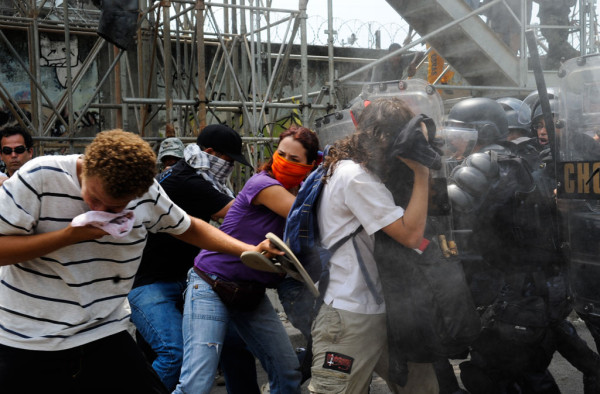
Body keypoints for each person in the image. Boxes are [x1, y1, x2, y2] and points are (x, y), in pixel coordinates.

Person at [0, 129, 280, 393]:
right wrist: (70, 235)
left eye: (116, 207)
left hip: (101, 330)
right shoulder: (39, 177)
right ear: (87, 167)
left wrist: (248, 249)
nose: (102, 211)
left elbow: (189, 227)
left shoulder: (146, 192)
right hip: (28, 337)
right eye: (95, 198)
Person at [173, 125, 320, 394]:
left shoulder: (297, 195)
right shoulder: (264, 184)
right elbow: (308, 219)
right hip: (211, 284)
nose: (284, 162)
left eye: (295, 159)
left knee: (287, 373)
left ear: (310, 164)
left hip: (249, 293)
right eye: (281, 153)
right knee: (196, 384)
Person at [308, 97, 438, 394]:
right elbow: (411, 235)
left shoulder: (350, 168)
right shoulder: (356, 177)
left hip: (382, 308)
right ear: (385, 138)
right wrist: (421, 171)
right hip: (350, 314)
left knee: (422, 387)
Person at [128, 124, 251, 391]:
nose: (229, 167)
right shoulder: (188, 180)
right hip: (150, 284)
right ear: (210, 153)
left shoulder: (200, 177)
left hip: (189, 281)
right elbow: (239, 214)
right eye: (228, 160)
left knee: (234, 343)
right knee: (174, 353)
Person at [533, 0, 579, 69]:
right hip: (548, 15)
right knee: (556, 41)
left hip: (563, 16)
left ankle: (551, 67)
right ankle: (575, 55)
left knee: (555, 50)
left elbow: (571, 3)